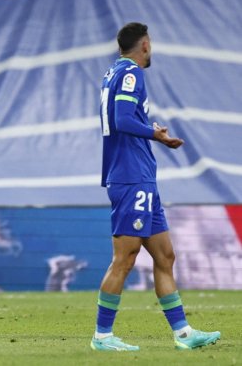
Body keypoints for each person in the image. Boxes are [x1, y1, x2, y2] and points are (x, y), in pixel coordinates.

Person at [92, 22, 220, 351]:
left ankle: (184, 334)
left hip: (141, 176)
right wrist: (156, 135)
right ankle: (102, 337)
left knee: (165, 256)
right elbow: (122, 119)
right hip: (130, 176)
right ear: (145, 45)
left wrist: (151, 135)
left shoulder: (113, 73)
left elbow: (122, 118)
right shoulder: (132, 74)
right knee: (125, 257)